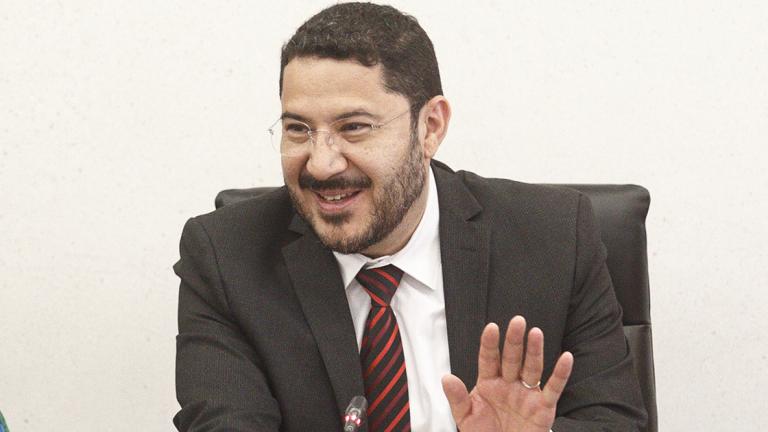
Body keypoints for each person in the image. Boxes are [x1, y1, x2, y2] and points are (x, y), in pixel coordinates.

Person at [173, 2, 647, 431]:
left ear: (431, 127)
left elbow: (616, 422)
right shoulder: (225, 258)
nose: (321, 163)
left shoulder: (554, 237)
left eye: (354, 128)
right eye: (298, 129)